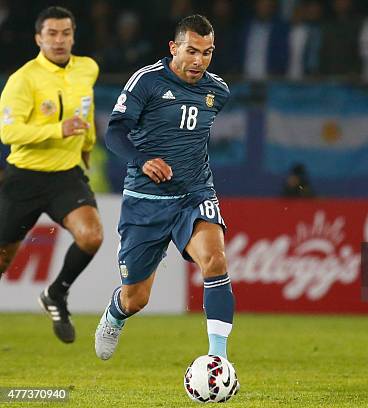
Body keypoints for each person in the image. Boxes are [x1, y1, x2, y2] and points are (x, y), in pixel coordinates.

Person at [95, 15, 235, 367]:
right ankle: (115, 314)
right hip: (146, 201)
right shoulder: (147, 81)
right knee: (136, 299)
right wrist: (143, 159)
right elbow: (115, 133)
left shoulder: (217, 91)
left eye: (207, 52)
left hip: (195, 194)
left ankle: (218, 360)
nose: (198, 60)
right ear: (174, 48)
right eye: (191, 51)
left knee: (215, 259)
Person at [0, 6, 103, 344]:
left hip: (65, 176)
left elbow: (85, 113)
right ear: (38, 39)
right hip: (24, 178)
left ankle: (56, 294)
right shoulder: (23, 79)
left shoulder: (87, 69)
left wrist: (86, 144)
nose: (59, 40)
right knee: (3, 260)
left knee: (91, 236)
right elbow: (8, 132)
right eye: (52, 34)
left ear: (73, 36)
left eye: (65, 33)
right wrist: (57, 129)